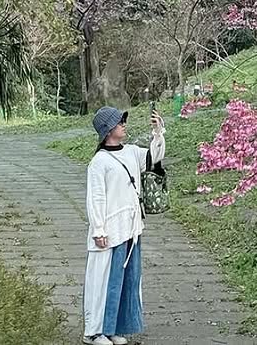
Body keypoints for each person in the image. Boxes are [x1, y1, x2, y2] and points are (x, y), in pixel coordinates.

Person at [83, 105, 165, 345]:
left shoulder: (131, 152)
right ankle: (95, 331)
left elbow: (153, 157)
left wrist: (158, 133)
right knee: (104, 280)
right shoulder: (99, 162)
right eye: (120, 123)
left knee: (127, 278)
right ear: (108, 130)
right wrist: (98, 229)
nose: (124, 126)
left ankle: (113, 328)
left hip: (130, 227)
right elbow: (96, 197)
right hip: (109, 230)